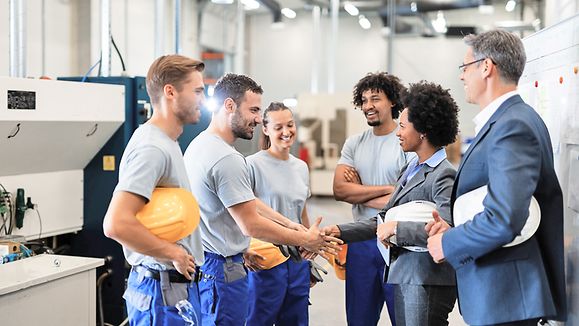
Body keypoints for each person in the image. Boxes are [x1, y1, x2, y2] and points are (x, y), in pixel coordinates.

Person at [426, 29, 567, 326]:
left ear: (486, 67)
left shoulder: (512, 126)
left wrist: (449, 242)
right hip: (502, 297)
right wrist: (455, 224)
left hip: (506, 299)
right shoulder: (510, 120)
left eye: (465, 67)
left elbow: (504, 219)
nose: (462, 76)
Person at [183, 73, 341, 326]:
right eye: (254, 110)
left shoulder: (200, 145)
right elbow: (251, 224)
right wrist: (305, 239)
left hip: (214, 263)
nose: (258, 117)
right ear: (229, 106)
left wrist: (291, 226)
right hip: (224, 269)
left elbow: (246, 201)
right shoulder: (228, 159)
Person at [326, 81, 459, 326]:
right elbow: (383, 218)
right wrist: (339, 231)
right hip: (405, 273)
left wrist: (398, 228)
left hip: (426, 278)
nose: (398, 132)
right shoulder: (411, 169)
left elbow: (447, 229)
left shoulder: (443, 174)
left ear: (423, 131)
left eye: (403, 126)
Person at [102, 55, 206, 325]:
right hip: (162, 294)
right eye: (197, 91)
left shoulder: (166, 142)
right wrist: (175, 254)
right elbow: (116, 224)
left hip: (171, 288)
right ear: (170, 92)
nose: (202, 100)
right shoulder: (153, 148)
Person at [332, 72, 413, 326]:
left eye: (375, 99)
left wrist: (360, 192)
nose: (368, 106)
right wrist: (389, 190)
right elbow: (340, 190)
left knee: (403, 319)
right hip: (361, 241)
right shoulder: (354, 144)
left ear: (392, 102)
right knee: (359, 320)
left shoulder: (405, 141)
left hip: (397, 243)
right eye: (364, 100)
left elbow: (407, 200)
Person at [245, 102, 313, 326]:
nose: (286, 132)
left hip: (297, 260)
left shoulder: (301, 167)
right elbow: (241, 211)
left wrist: (311, 247)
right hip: (264, 258)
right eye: (278, 127)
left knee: (296, 321)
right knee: (259, 319)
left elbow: (301, 210)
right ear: (265, 129)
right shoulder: (251, 165)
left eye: (290, 125)